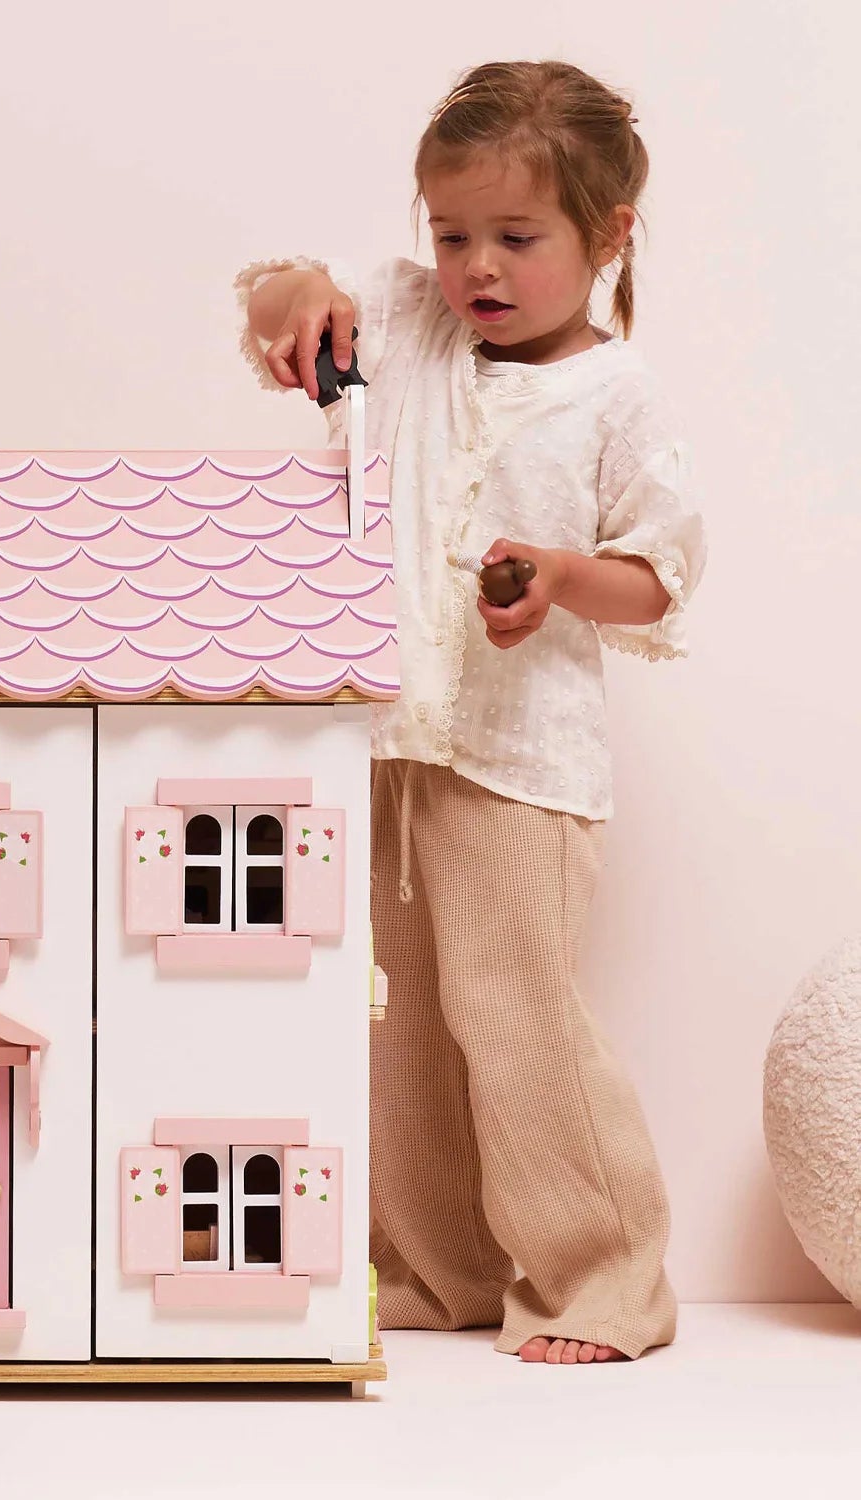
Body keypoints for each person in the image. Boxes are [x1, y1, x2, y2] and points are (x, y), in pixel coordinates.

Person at [235, 60, 707, 1364]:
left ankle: (607, 1282)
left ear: (607, 237)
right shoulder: (405, 325)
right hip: (389, 744)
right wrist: (300, 296)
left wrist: (556, 578)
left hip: (520, 763)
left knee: (518, 1019)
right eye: (451, 235)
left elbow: (656, 574)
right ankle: (441, 1276)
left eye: (516, 239)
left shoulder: (618, 396)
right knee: (396, 1023)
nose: (477, 269)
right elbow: (270, 298)